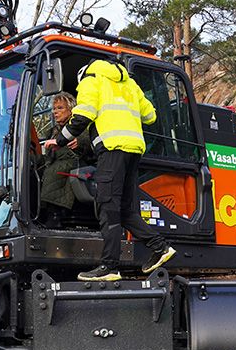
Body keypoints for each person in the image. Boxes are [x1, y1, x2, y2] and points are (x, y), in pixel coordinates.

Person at [43, 59, 175, 281]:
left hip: (112, 149)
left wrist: (59, 140)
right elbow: (150, 116)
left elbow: (82, 116)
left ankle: (110, 267)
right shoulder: (130, 85)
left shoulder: (90, 81)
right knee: (124, 210)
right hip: (134, 151)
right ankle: (160, 247)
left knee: (106, 207)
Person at [36, 92, 93, 228]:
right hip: (57, 163)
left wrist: (80, 142)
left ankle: (55, 216)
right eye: (54, 109)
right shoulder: (52, 131)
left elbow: (88, 142)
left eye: (60, 108)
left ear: (71, 109)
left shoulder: (79, 127)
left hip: (76, 165)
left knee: (54, 172)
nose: (55, 112)